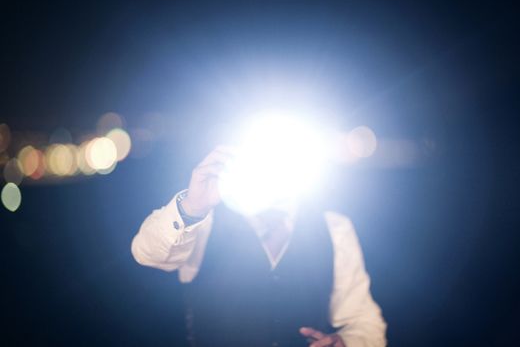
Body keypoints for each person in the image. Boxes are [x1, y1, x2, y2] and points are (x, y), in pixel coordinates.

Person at [131, 146, 386, 347]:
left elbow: (364, 320)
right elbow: (147, 254)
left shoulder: (334, 226)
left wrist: (348, 342)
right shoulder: (205, 221)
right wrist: (192, 208)